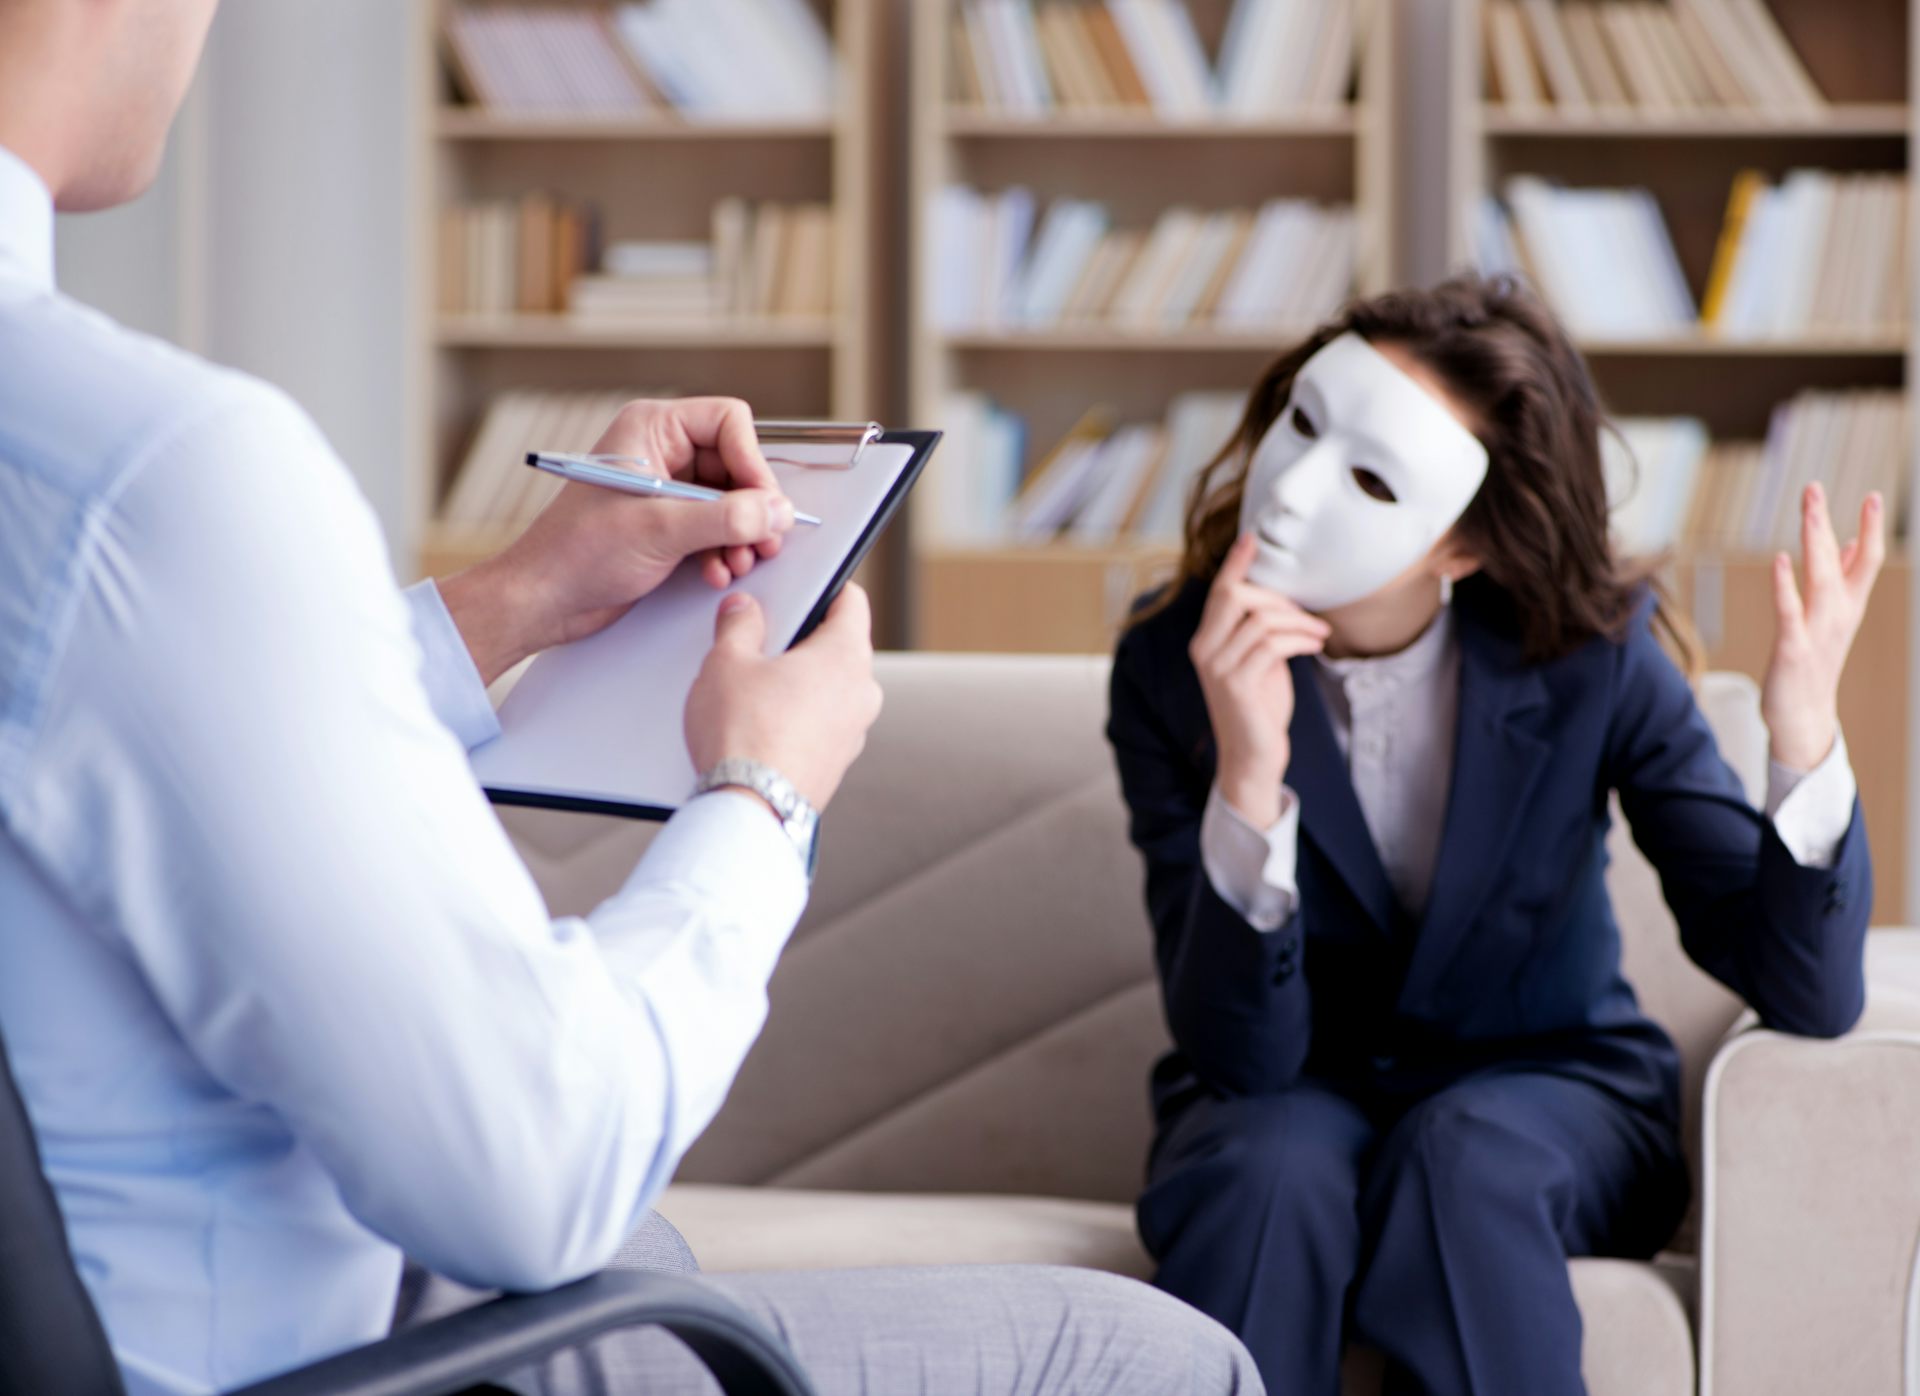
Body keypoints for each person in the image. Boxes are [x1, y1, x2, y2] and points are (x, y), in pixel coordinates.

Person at [0, 3, 1262, 1394]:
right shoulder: (157, 473)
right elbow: (535, 1174)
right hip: (304, 1362)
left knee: (653, 1256)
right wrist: (760, 794)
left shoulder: (76, 485)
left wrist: (526, 597)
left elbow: (109, 729)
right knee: (1156, 1358)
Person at [1105, 277, 1878, 1396]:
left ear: (1463, 544)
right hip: (1286, 1092)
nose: (1291, 491)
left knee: (1462, 1154)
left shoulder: (1597, 658)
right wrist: (1250, 775)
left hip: (1549, 1091)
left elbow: (1810, 990)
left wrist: (1801, 736)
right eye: (1303, 424)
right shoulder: (1167, 667)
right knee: (1269, 1169)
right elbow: (1242, 1057)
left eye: (1372, 476)